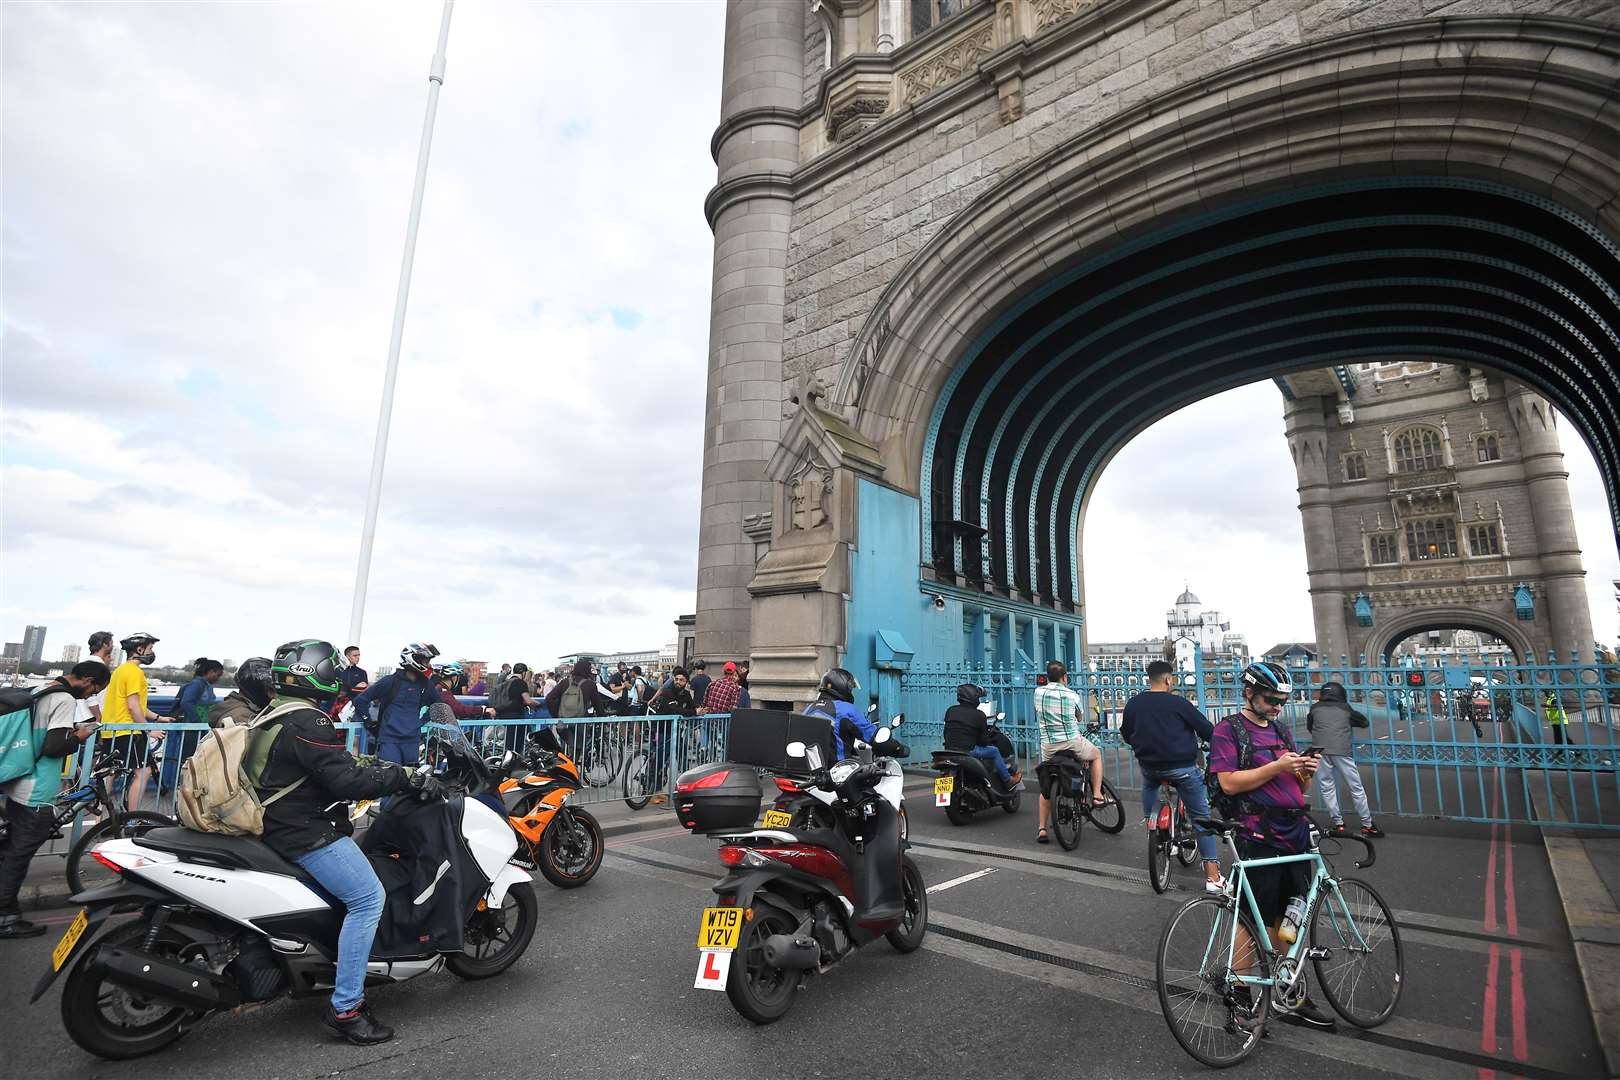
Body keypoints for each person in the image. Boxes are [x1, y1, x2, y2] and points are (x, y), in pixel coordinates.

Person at [255, 640, 433, 1044]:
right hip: (303, 829)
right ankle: (347, 1007)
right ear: (316, 676)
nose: (336, 678)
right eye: (332, 672)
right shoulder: (309, 721)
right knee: (368, 898)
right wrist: (403, 777)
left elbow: (326, 766)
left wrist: (370, 765)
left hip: (274, 822)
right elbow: (345, 781)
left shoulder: (273, 714)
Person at [1209, 660, 1335, 1030]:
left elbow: (1298, 787)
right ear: (1249, 693)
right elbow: (1229, 783)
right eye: (1271, 698)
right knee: (1253, 920)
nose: (1278, 705)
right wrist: (1277, 768)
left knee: (1288, 921)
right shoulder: (1228, 730)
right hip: (1257, 834)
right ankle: (1241, 998)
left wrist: (1304, 774)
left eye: (1283, 700)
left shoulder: (1281, 729)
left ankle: (1289, 992)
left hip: (1294, 831)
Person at [0, 661, 110, 939]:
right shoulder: (63, 699)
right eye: (96, 688)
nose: (91, 695)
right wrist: (79, 735)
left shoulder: (43, 689)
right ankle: (4, 917)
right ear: (87, 679)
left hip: (18, 782)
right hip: (36, 790)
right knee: (18, 855)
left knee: (12, 848)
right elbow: (53, 747)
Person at [1121, 660, 1221, 887]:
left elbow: (1127, 734)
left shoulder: (1134, 704)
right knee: (1201, 817)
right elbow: (1208, 731)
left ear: (1149, 679)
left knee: (1149, 785)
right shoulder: (1179, 703)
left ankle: (1152, 828)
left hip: (1150, 765)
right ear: (1168, 680)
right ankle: (1213, 877)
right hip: (1182, 767)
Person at [1033, 661, 1106, 845]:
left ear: (1048, 676)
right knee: (1096, 754)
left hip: (1049, 746)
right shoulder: (1072, 695)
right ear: (1064, 677)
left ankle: (1042, 828)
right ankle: (1097, 794)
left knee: (1047, 785)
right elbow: (1079, 716)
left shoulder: (1038, 692)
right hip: (1072, 742)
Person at [1305, 682, 1381, 838]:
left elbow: (1310, 726)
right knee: (1356, 788)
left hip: (1320, 751)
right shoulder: (1345, 708)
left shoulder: (1315, 708)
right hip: (1342, 752)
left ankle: (1338, 823)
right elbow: (1364, 722)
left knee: (1327, 787)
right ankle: (1367, 825)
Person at [101, 632, 166, 809]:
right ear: (140, 649)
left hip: (111, 731)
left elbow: (136, 705)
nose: (152, 652)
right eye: (150, 648)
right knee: (143, 772)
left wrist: (160, 718)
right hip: (128, 732)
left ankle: (102, 820)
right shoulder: (135, 672)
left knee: (110, 775)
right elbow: (133, 707)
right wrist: (148, 729)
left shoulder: (119, 671)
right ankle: (133, 819)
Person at [348, 643, 440, 766]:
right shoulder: (390, 681)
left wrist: (422, 721)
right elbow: (360, 700)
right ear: (413, 659)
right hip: (389, 740)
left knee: (410, 780)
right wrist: (369, 723)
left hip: (412, 741)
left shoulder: (425, 684)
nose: (428, 665)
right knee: (389, 779)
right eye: (425, 661)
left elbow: (439, 705)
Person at [161, 658, 224, 794]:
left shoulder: (203, 684)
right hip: (191, 729)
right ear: (210, 671)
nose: (218, 678)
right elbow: (187, 702)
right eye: (218, 674)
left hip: (197, 728)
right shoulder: (198, 685)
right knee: (188, 759)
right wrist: (197, 723)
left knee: (192, 758)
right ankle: (182, 788)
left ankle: (186, 786)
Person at [942, 683, 1018, 789]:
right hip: (968, 751)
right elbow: (983, 741)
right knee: (994, 751)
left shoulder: (950, 710)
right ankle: (1008, 780)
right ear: (973, 698)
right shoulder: (979, 715)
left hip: (949, 750)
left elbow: (946, 733)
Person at [802, 668, 877, 759]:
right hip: (838, 768)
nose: (851, 692)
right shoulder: (847, 709)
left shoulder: (809, 708)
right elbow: (872, 736)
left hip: (810, 766)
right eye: (850, 688)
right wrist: (896, 748)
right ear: (842, 686)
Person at [207, 657, 274, 727]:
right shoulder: (244, 718)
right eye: (272, 691)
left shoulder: (233, 706)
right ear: (258, 689)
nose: (275, 697)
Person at [74, 630, 115, 727]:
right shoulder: (97, 665)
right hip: (89, 718)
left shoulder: (86, 662)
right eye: (111, 643)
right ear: (105, 644)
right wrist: (98, 716)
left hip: (82, 716)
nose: (112, 646)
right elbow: (89, 694)